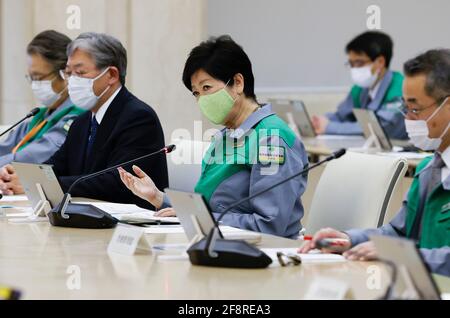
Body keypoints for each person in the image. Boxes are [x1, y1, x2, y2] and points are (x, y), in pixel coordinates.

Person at [118, 35, 309, 239]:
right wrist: (157, 197)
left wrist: (206, 218)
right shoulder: (224, 137)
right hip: (218, 244)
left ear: (237, 83)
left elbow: (268, 226)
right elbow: (207, 210)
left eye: (206, 88)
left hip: (261, 254)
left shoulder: (271, 139)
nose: (201, 99)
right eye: (196, 93)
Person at [300, 49, 450, 277]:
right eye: (405, 108)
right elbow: (399, 232)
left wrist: (401, 256)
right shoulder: (429, 169)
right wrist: (349, 239)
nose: (407, 118)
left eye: (415, 109)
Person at [1, 32, 168, 209]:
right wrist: (18, 177)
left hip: (132, 225)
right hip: (87, 220)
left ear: (111, 74)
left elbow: (116, 182)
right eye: (68, 73)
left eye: (80, 73)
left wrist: (40, 183)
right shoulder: (82, 122)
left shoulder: (139, 117)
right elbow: (55, 167)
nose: (71, 81)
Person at [0, 30, 85, 195]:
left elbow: (30, 158)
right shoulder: (40, 116)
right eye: (31, 78)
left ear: (64, 74)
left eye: (39, 78)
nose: (34, 85)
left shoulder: (78, 116)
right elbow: (7, 147)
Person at [312, 31, 407, 140]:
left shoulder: (400, 88)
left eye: (359, 63)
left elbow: (380, 129)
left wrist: (329, 127)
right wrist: (319, 122)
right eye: (351, 64)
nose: (354, 69)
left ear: (380, 62)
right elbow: (341, 116)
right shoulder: (360, 88)